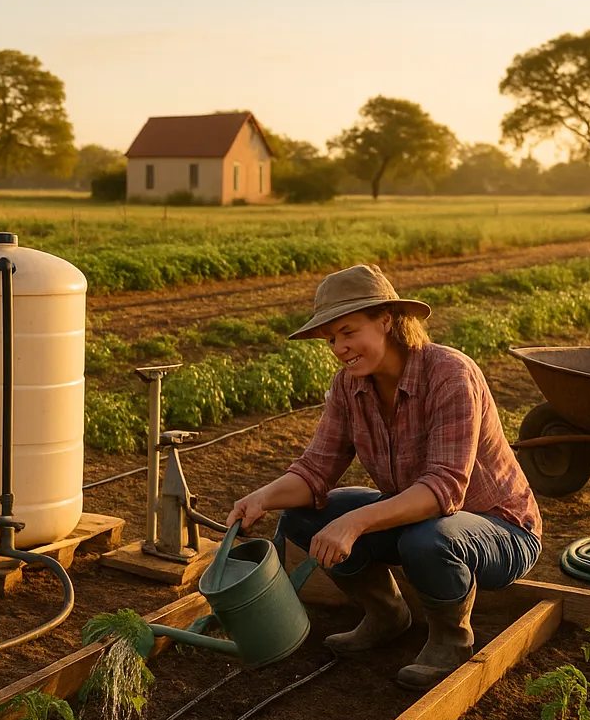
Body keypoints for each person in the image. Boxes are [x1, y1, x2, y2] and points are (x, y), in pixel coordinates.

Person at [228, 264, 541, 689]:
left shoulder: (449, 374)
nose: (339, 346)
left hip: (500, 529)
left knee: (426, 538)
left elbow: (445, 489)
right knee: (302, 516)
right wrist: (261, 498)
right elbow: (316, 469)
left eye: (348, 331)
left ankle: (451, 637)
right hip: (421, 519)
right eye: (332, 338)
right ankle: (387, 614)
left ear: (387, 320)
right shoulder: (349, 387)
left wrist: (354, 523)